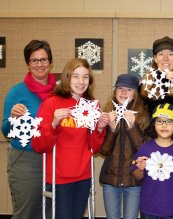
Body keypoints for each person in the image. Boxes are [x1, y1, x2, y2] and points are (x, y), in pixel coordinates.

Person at [31, 58, 109, 219]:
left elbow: (94, 147)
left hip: (83, 175)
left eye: (85, 77)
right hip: (59, 177)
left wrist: (100, 128)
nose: (81, 82)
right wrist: (53, 123)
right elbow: (39, 145)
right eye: (76, 76)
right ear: (67, 77)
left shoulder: (92, 106)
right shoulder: (51, 104)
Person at [1, 40, 56, 219]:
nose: (39, 64)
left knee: (49, 212)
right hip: (26, 160)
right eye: (34, 60)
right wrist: (12, 119)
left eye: (43, 60)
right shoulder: (17, 92)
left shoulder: (59, 91)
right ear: (28, 63)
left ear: (50, 62)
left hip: (53, 160)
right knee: (26, 212)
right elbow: (6, 131)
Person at [99, 74, 149, 219]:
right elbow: (103, 151)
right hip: (111, 179)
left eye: (129, 89)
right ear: (115, 92)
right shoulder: (107, 115)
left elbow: (144, 150)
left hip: (134, 181)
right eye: (120, 88)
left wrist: (132, 127)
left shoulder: (143, 117)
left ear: (135, 94)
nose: (123, 92)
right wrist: (112, 130)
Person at [132, 103, 173, 219]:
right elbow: (136, 176)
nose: (164, 125)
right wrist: (140, 169)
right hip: (149, 208)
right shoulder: (144, 148)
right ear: (153, 124)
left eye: (169, 121)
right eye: (159, 121)